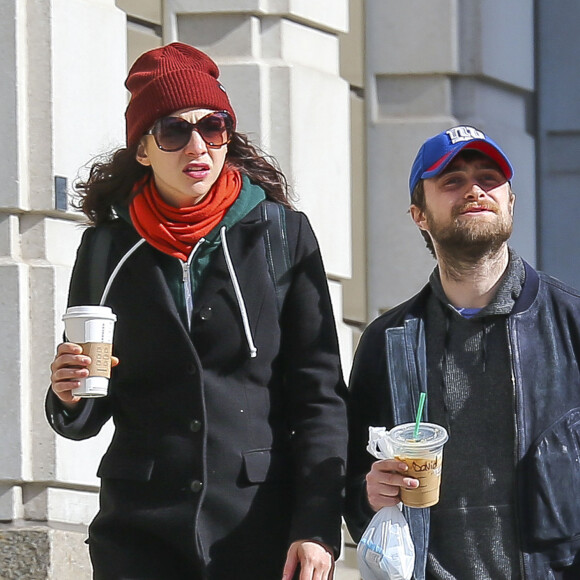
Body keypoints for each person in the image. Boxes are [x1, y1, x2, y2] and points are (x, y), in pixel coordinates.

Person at [46, 42, 347, 580]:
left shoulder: (281, 235)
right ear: (143, 148)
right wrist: (67, 397)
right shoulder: (106, 251)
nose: (197, 145)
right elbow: (88, 409)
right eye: (173, 131)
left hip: (257, 531)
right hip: (139, 537)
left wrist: (317, 527)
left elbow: (319, 396)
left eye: (213, 127)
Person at [345, 125, 580, 579]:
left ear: (511, 200)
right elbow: (352, 482)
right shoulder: (387, 341)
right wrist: (368, 494)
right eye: (452, 181)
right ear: (419, 215)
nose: (474, 190)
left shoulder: (571, 325)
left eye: (489, 178)